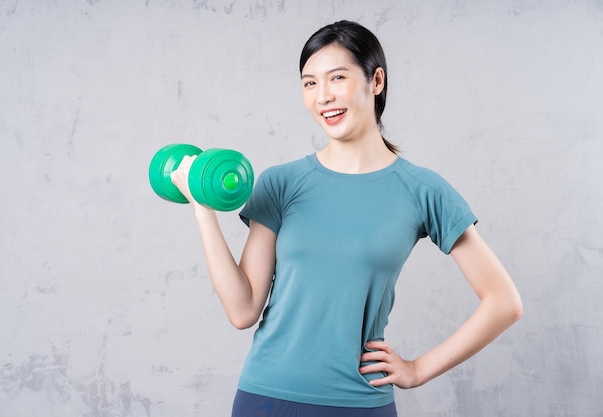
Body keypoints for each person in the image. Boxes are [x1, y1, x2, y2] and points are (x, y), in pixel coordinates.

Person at [170, 20, 523, 417]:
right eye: (309, 83)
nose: (323, 96)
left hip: (359, 403)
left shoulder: (422, 189)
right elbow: (243, 309)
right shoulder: (282, 183)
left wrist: (418, 369)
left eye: (336, 78)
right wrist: (203, 210)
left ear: (376, 81)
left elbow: (504, 302)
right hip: (267, 397)